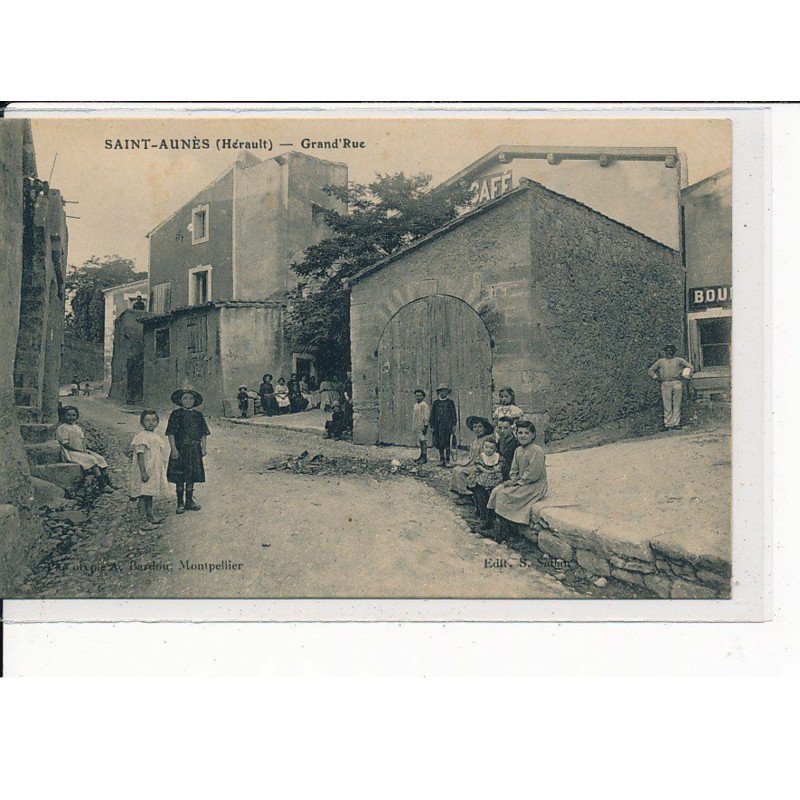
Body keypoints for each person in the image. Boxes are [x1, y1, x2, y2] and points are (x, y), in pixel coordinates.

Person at [488, 420, 548, 529]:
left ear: (533, 435)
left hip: (534, 485)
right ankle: (493, 525)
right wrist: (513, 479)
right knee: (496, 490)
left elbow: (533, 474)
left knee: (503, 494)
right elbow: (514, 469)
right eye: (520, 433)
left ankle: (503, 531)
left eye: (526, 433)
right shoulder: (518, 450)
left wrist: (517, 482)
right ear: (516, 434)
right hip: (520, 482)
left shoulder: (537, 451)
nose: (523, 436)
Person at [166, 388, 210, 514]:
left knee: (191, 475)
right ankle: (180, 502)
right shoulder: (175, 414)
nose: (188, 401)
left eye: (191, 398)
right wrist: (173, 449)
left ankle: (189, 501)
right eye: (185, 398)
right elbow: (171, 433)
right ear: (180, 400)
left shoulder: (198, 415)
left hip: (194, 449)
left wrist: (203, 447)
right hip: (180, 449)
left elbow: (203, 433)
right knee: (180, 476)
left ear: (194, 401)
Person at [56, 405, 116, 494]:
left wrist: (85, 450)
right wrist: (79, 451)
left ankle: (108, 482)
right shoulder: (62, 428)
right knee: (91, 460)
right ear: (63, 416)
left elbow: (82, 441)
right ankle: (102, 485)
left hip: (81, 451)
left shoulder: (77, 427)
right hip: (70, 452)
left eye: (74, 415)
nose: (71, 417)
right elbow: (66, 445)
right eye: (68, 415)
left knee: (100, 458)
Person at [129, 409, 168, 530]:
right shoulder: (141, 437)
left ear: (157, 422)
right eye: (147, 420)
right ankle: (142, 521)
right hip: (145, 469)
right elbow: (140, 455)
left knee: (149, 493)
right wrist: (143, 472)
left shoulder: (155, 436)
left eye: (153, 420)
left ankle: (150, 516)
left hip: (153, 469)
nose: (151, 423)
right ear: (142, 423)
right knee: (143, 494)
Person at [648, 345, 693, 430]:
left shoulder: (679, 360)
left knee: (677, 403)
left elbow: (690, 367)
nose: (669, 352)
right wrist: (656, 377)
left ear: (674, 351)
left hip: (676, 382)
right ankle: (668, 424)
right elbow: (651, 370)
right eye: (667, 350)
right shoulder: (661, 361)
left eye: (671, 350)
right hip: (665, 383)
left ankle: (676, 423)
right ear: (665, 352)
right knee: (667, 404)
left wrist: (684, 375)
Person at [449, 416, 495, 499]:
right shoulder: (476, 440)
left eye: (480, 427)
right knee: (456, 468)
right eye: (475, 427)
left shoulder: (486, 441)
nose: (477, 429)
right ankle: (459, 492)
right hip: (472, 463)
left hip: (481, 465)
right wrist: (463, 462)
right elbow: (471, 456)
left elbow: (485, 457)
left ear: (485, 428)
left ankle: (466, 494)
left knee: (460, 471)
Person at [468, 438, 505, 530]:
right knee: (477, 483)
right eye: (486, 447)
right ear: (483, 447)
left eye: (491, 448)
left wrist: (497, 468)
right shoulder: (482, 456)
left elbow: (501, 465)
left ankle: (487, 517)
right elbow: (479, 465)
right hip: (484, 473)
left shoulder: (497, 457)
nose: (488, 450)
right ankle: (481, 513)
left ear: (495, 449)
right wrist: (486, 470)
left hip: (494, 476)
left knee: (491, 486)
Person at [430, 383, 457, 467]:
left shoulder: (450, 403)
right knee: (439, 443)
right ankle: (442, 460)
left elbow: (454, 415)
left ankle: (448, 460)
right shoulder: (435, 403)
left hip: (447, 426)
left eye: (445, 391)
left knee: (448, 443)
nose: (443, 393)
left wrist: (454, 425)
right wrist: (432, 425)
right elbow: (432, 415)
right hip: (438, 426)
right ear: (439, 392)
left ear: (447, 392)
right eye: (441, 391)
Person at [494, 416, 519, 481]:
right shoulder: (500, 440)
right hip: (500, 470)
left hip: (511, 473)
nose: (502, 431)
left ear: (511, 428)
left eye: (505, 428)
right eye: (500, 428)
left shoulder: (516, 443)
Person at [411, 389, 430, 464]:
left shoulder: (424, 405)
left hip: (422, 426)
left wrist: (425, 425)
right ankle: (421, 455)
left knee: (423, 441)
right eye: (417, 396)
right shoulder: (416, 405)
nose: (418, 397)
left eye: (420, 396)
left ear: (423, 397)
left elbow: (426, 416)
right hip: (417, 425)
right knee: (420, 441)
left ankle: (424, 457)